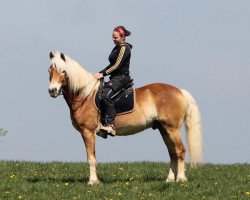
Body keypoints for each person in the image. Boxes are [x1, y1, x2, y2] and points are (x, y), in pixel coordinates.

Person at [94, 26, 133, 136]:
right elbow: (111, 65)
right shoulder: (116, 48)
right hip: (114, 78)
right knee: (98, 93)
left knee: (106, 95)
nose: (113, 39)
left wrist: (103, 74)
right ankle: (102, 123)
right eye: (112, 37)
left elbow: (117, 65)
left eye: (115, 37)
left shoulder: (124, 48)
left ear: (123, 37)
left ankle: (111, 125)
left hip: (121, 78)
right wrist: (99, 73)